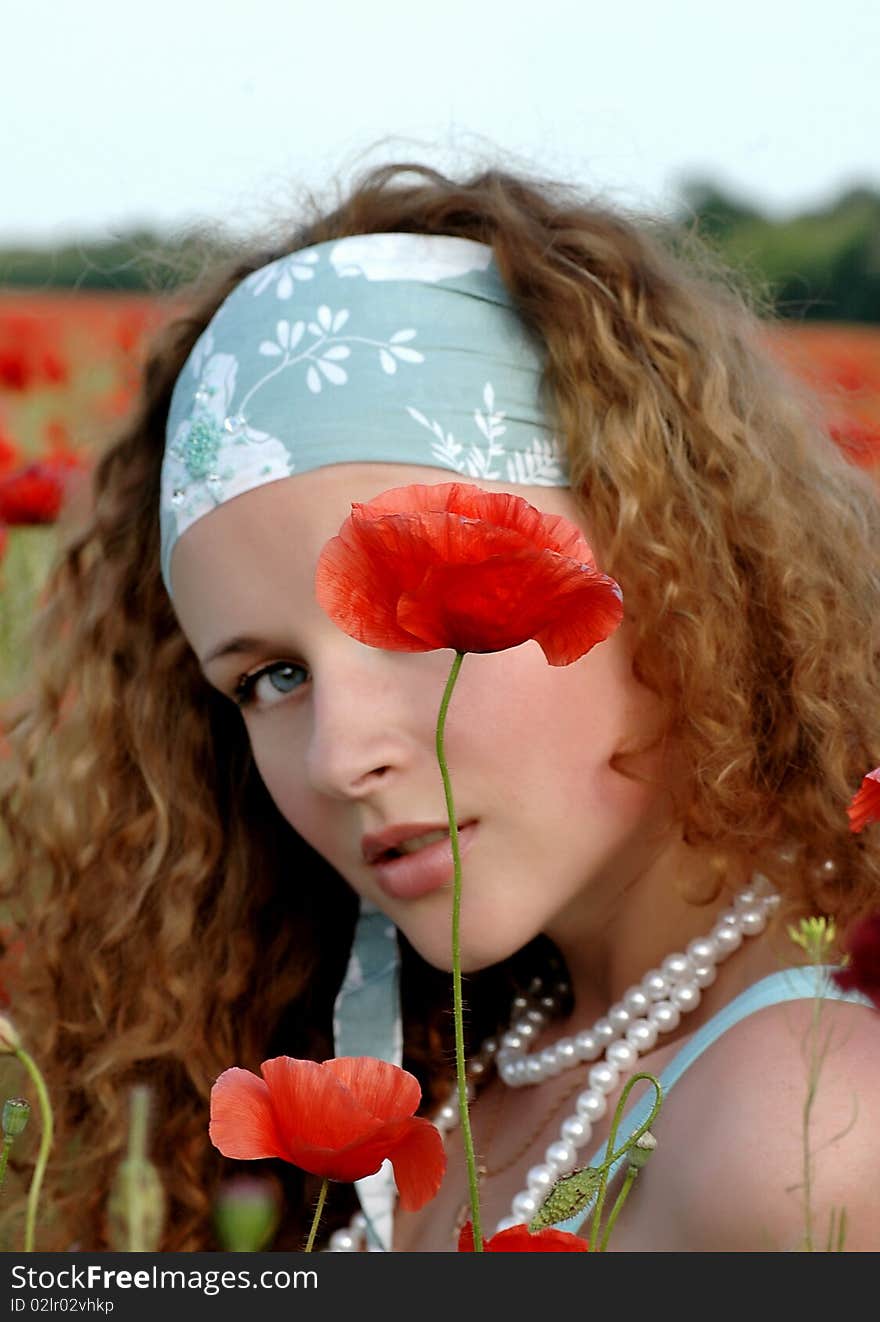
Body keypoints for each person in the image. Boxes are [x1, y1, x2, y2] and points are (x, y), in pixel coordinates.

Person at [1, 161, 879, 1254]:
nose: (337, 756)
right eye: (269, 676)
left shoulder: (803, 1134)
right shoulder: (464, 1052)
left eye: (415, 619)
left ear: (680, 566)